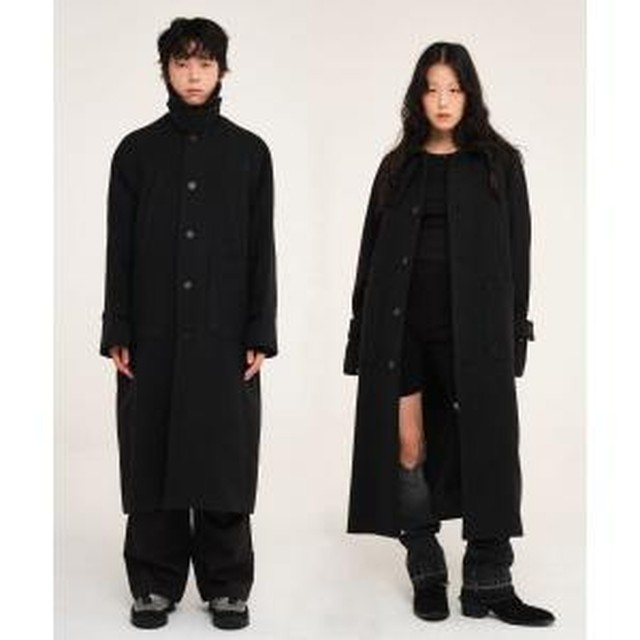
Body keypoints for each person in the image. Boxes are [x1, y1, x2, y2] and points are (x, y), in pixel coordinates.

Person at [343, 42, 554, 626]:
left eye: (454, 89)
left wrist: (513, 335)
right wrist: (360, 336)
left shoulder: (499, 164)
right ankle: (426, 566)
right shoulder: (397, 167)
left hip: (475, 331)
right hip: (399, 330)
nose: (442, 100)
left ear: (470, 96)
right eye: (432, 88)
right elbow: (369, 254)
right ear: (417, 96)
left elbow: (518, 255)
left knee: (488, 445)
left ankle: (489, 581)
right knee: (409, 447)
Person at [100, 17, 277, 630]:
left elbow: (262, 250)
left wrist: (260, 331)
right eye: (182, 63)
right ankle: (153, 581)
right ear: (165, 71)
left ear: (222, 69)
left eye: (205, 63)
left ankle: (227, 584)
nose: (194, 75)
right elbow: (118, 249)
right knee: (151, 449)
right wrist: (118, 328)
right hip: (151, 333)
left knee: (225, 456)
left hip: (227, 334)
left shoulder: (250, 154)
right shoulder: (135, 152)